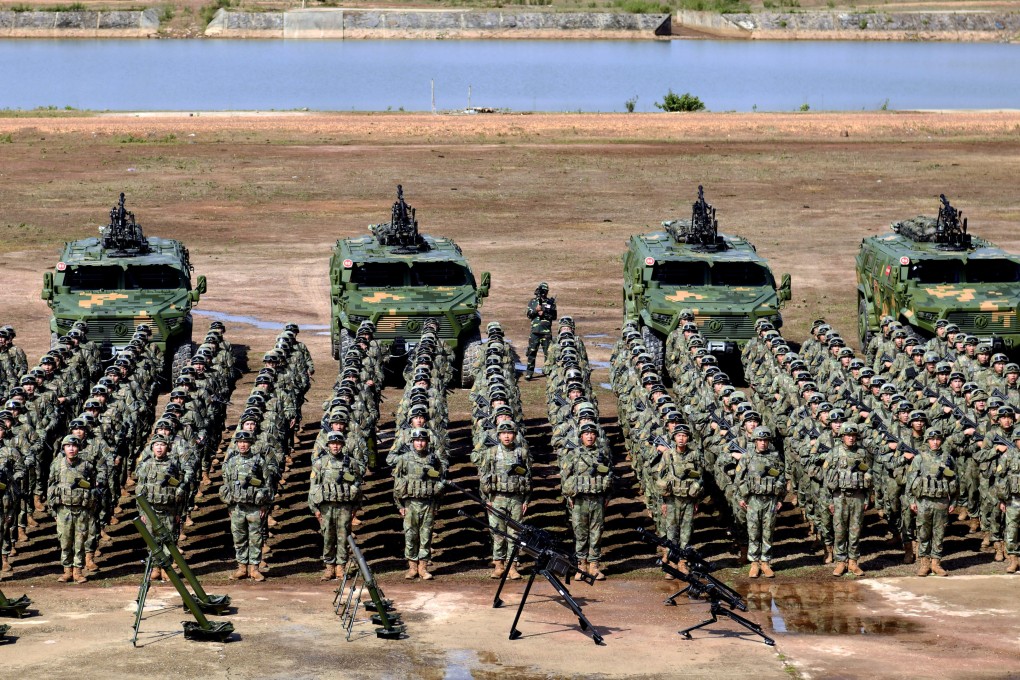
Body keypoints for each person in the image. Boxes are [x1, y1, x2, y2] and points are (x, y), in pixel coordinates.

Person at [477, 421, 531, 580]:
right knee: (497, 532)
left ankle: (512, 566)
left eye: (510, 433)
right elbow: (483, 477)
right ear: (498, 435)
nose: (507, 436)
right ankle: (499, 565)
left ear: (514, 435)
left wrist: (526, 500)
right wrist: (486, 499)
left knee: (514, 533)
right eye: (503, 433)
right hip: (497, 498)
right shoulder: (491, 453)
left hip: (516, 499)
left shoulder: (522, 453)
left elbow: (528, 477)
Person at [218, 431, 274, 582]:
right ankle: (242, 567)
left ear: (250, 443)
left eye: (246, 442)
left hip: (255, 507)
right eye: (240, 442)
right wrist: (229, 506)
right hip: (237, 507)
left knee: (256, 538)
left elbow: (268, 485)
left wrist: (265, 506)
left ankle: (254, 568)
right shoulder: (231, 462)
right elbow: (227, 485)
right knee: (239, 538)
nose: (242, 444)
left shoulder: (259, 461)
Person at [308, 432, 365, 581]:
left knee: (343, 537)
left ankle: (341, 567)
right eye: (332, 443)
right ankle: (329, 567)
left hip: (345, 507)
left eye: (338, 443)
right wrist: (315, 509)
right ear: (327, 445)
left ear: (342, 445)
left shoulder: (351, 464)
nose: (335, 446)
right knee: (327, 537)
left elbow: (358, 486)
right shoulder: (320, 463)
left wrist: (355, 507)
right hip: (326, 507)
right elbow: (314, 488)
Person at [561, 421, 614, 580]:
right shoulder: (573, 454)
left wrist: (607, 497)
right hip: (579, 500)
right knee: (580, 533)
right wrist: (569, 496)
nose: (589, 436)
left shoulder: (603, 453)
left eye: (592, 434)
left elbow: (610, 475)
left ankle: (594, 565)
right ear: (581, 436)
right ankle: (581, 565)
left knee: (596, 533)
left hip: (597, 499)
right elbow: (565, 477)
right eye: (586, 434)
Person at [392, 428, 446, 581]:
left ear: (427, 442)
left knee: (426, 535)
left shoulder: (434, 460)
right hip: (410, 503)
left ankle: (423, 567)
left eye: (422, 440)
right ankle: (412, 567)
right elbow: (397, 483)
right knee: (410, 535)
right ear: (412, 442)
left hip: (428, 503)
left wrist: (437, 505)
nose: (420, 443)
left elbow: (440, 482)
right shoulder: (403, 459)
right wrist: (399, 505)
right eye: (417, 440)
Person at [907, 427, 958, 577]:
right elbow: (910, 480)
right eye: (932, 439)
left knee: (939, 533)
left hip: (941, 501)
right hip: (923, 501)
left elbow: (955, 480)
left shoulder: (948, 458)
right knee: (923, 532)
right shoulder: (919, 458)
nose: (935, 442)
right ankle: (924, 563)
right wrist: (911, 500)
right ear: (927, 441)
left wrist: (954, 501)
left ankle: (936, 563)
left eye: (937, 439)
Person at [134, 435, 185, 581]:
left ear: (167, 447)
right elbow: (139, 490)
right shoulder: (145, 465)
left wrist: (178, 512)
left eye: (162, 445)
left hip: (169, 509)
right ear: (152, 447)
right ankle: (155, 568)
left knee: (168, 540)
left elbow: (180, 490)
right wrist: (142, 511)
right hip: (150, 509)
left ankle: (166, 570)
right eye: (156, 445)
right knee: (152, 540)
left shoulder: (174, 465)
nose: (159, 448)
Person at [48, 435, 98, 584]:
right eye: (68, 446)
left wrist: (91, 507)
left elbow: (94, 488)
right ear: (63, 448)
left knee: (80, 540)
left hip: (82, 510)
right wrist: (53, 510)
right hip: (63, 509)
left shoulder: (87, 466)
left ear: (79, 448)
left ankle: (78, 570)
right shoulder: (57, 465)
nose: (71, 448)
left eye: (74, 446)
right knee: (65, 540)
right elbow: (51, 487)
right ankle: (67, 570)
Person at [737, 427, 785, 579]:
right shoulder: (747, 457)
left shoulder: (775, 457)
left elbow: (782, 478)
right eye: (760, 440)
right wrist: (742, 497)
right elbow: (739, 478)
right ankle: (754, 562)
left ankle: (765, 561)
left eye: (765, 440)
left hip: (770, 500)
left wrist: (780, 499)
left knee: (768, 531)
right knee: (753, 531)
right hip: (753, 500)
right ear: (755, 441)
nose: (763, 443)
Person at [825, 423, 872, 577]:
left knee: (855, 531)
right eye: (848, 435)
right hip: (840, 496)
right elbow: (827, 479)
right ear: (842, 436)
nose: (851, 438)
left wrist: (866, 499)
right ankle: (840, 562)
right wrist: (829, 501)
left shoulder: (862, 453)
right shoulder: (834, 453)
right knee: (839, 530)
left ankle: (853, 562)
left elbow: (869, 475)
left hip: (857, 496)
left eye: (853, 436)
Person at [525, 282, 557, 380]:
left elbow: (554, 316)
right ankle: (529, 372)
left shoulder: (550, 303)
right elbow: (529, 314)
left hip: (546, 332)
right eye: (542, 291)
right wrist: (536, 310)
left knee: (548, 353)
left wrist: (544, 314)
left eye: (545, 291)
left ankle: (548, 371)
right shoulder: (533, 301)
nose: (544, 293)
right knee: (531, 352)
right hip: (535, 331)